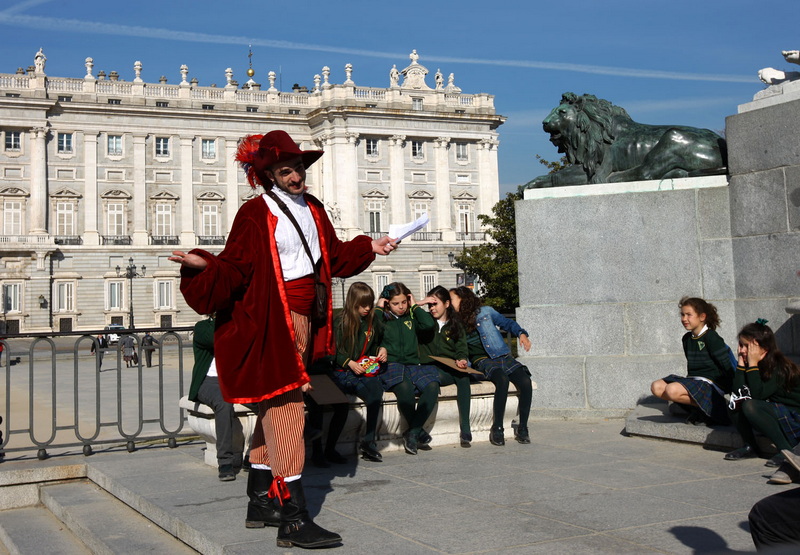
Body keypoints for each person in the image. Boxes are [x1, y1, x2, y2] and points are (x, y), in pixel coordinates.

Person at [170, 129, 396, 549]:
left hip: (309, 318)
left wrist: (371, 246)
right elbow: (236, 269)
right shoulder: (255, 213)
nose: (297, 177)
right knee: (288, 406)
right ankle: (293, 517)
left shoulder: (313, 208)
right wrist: (205, 265)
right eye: (287, 170)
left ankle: (259, 500)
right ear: (269, 174)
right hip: (273, 321)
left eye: (299, 169)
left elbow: (334, 257)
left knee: (277, 406)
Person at [449, 286, 533, 446]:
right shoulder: (454, 323)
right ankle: (498, 427)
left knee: (525, 382)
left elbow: (506, 323)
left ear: (462, 298)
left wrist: (521, 334)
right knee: (502, 380)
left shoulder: (485, 312)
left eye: (451, 299)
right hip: (482, 360)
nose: (449, 302)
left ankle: (523, 427)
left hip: (502, 355)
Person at [724, 321, 800, 484]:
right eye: (741, 345)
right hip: (779, 411)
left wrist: (751, 364)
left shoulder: (779, 366)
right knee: (735, 401)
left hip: (795, 415)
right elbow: (738, 392)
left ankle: (786, 449)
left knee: (750, 405)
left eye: (747, 347)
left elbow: (758, 395)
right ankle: (749, 446)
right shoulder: (752, 364)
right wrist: (740, 364)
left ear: (764, 349)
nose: (742, 350)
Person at [376, 282, 439, 455]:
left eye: (404, 302)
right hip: (391, 365)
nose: (401, 307)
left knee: (433, 386)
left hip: (412, 365)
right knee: (404, 387)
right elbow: (371, 331)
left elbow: (428, 324)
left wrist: (416, 305)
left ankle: (412, 431)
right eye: (396, 303)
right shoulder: (382, 318)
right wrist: (379, 307)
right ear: (387, 302)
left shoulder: (411, 316)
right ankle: (417, 432)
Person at [188, 316, 251, 481]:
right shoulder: (202, 327)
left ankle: (253, 453)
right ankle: (225, 460)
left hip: (234, 381)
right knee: (224, 403)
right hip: (209, 381)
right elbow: (217, 339)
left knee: (266, 401)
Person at [329, 282, 385, 463]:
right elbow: (332, 352)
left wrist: (382, 349)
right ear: (353, 303)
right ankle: (329, 448)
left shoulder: (373, 320)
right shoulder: (339, 321)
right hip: (340, 372)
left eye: (370, 304)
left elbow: (379, 341)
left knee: (376, 392)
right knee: (341, 405)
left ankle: (369, 441)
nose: (368, 308)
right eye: (363, 305)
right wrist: (349, 362)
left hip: (360, 372)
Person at [418, 285, 473, 447]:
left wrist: (461, 358)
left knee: (463, 376)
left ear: (447, 304)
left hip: (449, 367)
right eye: (430, 305)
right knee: (434, 379)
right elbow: (407, 313)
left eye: (435, 304)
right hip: (429, 367)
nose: (432, 308)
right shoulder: (426, 322)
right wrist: (420, 303)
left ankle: (465, 427)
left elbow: (461, 347)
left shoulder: (456, 324)